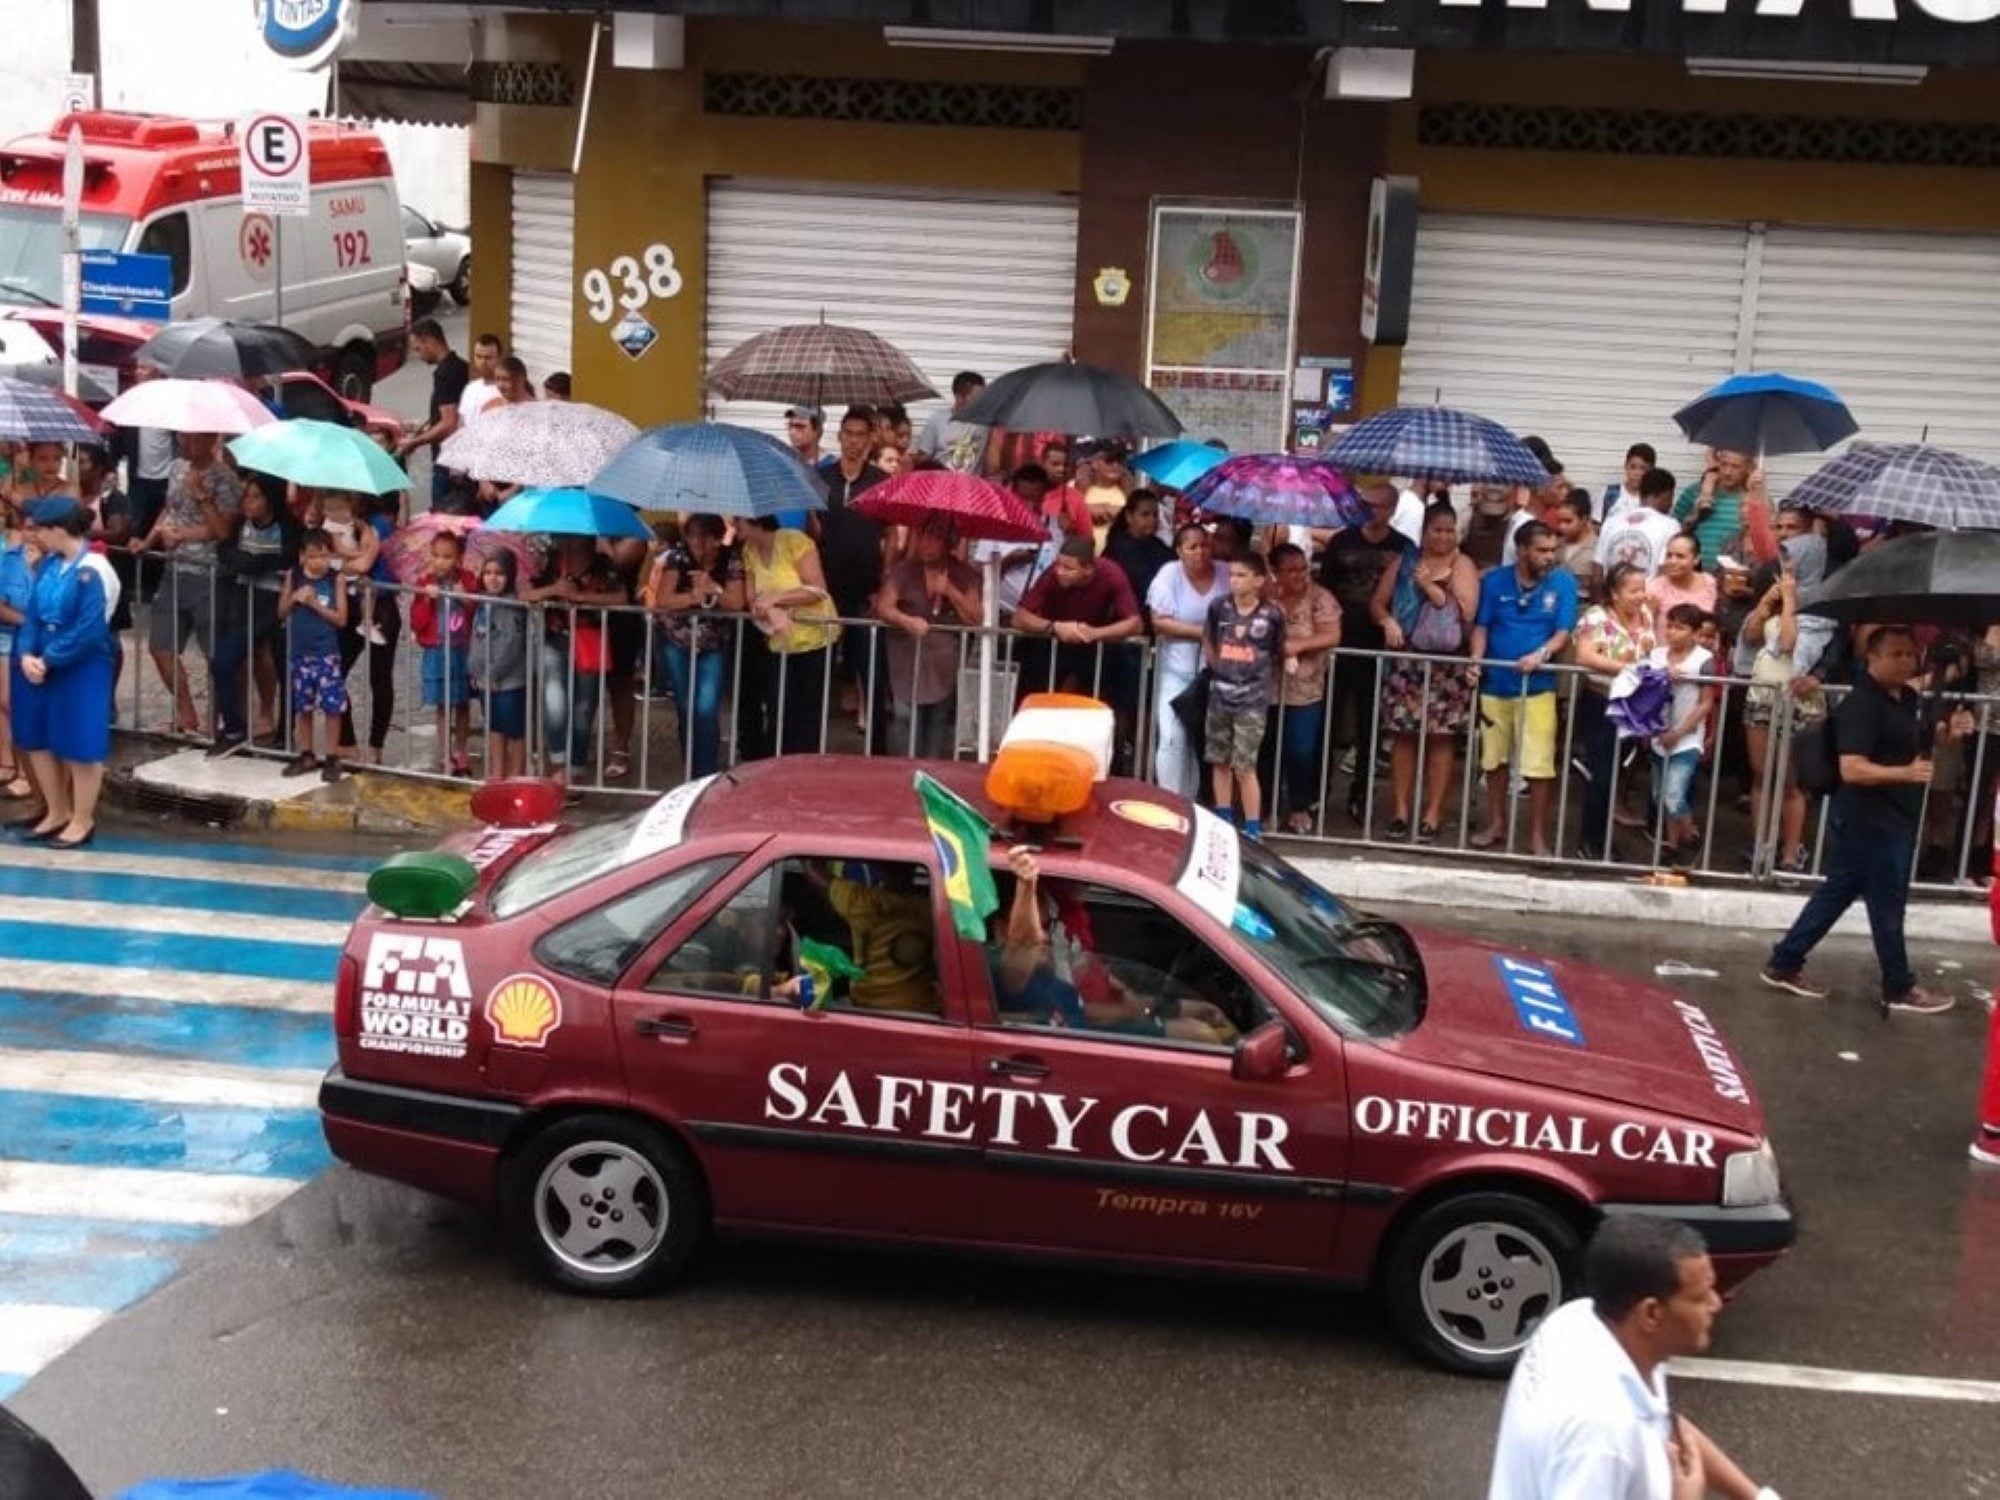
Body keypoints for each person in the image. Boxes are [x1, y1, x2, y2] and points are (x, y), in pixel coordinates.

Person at [1488, 1215, 1769, 1500]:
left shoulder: (1582, 1322)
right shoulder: (1600, 1437)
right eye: (1699, 1297)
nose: (1715, 1303)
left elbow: (1660, 1421)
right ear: (1651, 1314)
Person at [1762, 626, 1968, 1013]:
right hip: (1869, 818)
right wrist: (1904, 775)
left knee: (1838, 892)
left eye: (1910, 654)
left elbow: (1915, 743)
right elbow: (1852, 769)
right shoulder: (1861, 704)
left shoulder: (1906, 698)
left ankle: (1786, 960)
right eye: (1895, 654)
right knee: (1887, 904)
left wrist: (1949, 735)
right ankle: (1898, 985)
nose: (1905, 661)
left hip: (1893, 814)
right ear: (1871, 657)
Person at [990, 846, 1231, 1043]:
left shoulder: (1048, 971)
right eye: (1038, 928)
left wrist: (1150, 1006)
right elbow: (1024, 942)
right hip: (1087, 1052)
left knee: (1208, 1014)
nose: (1044, 937)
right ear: (1002, 931)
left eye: (1046, 926)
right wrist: (1025, 885)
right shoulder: (1011, 976)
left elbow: (1086, 1007)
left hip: (1097, 1031)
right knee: (1201, 1035)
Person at [1470, 521, 1579, 856]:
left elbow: (1562, 633)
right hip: (1496, 682)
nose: (1550, 557)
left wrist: (1542, 654)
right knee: (1494, 760)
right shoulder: (1494, 581)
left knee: (1540, 765)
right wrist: (1475, 661)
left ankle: (1536, 836)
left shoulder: (1563, 582)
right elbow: (1481, 627)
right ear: (1521, 551)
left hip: (1538, 686)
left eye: (1552, 550)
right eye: (1541, 550)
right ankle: (1497, 824)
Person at [1375, 501, 1479, 842]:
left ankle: (1433, 813)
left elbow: (1466, 610)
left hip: (1446, 665)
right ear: (1424, 532)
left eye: (1450, 530)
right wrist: (1387, 620)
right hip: (1407, 658)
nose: (1444, 537)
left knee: (1441, 738)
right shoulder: (1405, 560)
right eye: (1437, 529)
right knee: (1402, 735)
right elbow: (1378, 601)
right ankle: (1401, 810)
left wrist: (1432, 586)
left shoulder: (1462, 564)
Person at [11, 498, 114, 847]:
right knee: (40, 736)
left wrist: (49, 658)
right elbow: (33, 615)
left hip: (82, 664)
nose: (35, 535)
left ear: (58, 529)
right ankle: (57, 810)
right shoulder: (50, 566)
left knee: (80, 740)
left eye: (40, 528)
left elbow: (90, 628)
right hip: (42, 658)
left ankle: (82, 818)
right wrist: (26, 653)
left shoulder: (94, 568)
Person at [133, 432, 242, 740]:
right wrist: (150, 540)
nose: (187, 444)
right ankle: (186, 712)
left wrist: (200, 497)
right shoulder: (176, 467)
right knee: (161, 645)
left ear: (210, 440)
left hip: (208, 571)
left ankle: (216, 719)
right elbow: (168, 509)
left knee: (213, 652)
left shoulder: (226, 479)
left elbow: (222, 529)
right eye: (184, 438)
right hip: (174, 568)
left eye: (195, 439)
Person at [1740, 536, 1833, 874]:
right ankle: (1762, 845)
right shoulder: (1772, 593)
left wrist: (1791, 600)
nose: (1787, 569)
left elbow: (1790, 644)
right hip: (1762, 697)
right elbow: (1750, 638)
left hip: (1798, 701)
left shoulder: (1820, 606)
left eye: (1794, 563)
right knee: (1762, 775)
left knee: (1792, 781)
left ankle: (1792, 852)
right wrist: (1766, 603)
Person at [1322, 482, 1413, 819]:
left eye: (1378, 505)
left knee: (1368, 727)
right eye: (1366, 504)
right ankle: (1319, 792)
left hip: (1378, 647)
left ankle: (1360, 794)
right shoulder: (1341, 541)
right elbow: (1325, 588)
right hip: (1339, 642)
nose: (1371, 511)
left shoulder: (1403, 547)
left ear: (1391, 509)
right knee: (1329, 725)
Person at [523, 538, 628, 787]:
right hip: (555, 637)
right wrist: (554, 590)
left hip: (589, 639)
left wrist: (581, 597)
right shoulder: (550, 560)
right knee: (555, 699)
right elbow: (526, 593)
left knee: (584, 706)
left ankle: (577, 768)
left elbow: (621, 597)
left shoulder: (603, 564)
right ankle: (559, 763)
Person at [1572, 563, 1658, 862]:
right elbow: (1585, 656)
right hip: (1602, 702)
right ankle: (1589, 841)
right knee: (1603, 774)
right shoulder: (1595, 617)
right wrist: (1628, 669)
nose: (1640, 596)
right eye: (1633, 591)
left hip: (1633, 704)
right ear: (1614, 593)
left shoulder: (1646, 615)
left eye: (1642, 589)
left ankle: (1603, 838)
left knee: (1619, 775)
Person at [646, 512, 743, 778]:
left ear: (715, 539)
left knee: (707, 708)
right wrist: (692, 596)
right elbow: (664, 599)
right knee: (686, 705)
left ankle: (706, 770)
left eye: (701, 536)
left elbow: (737, 602)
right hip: (677, 640)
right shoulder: (677, 558)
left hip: (712, 642)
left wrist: (714, 589)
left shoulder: (730, 558)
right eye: (690, 535)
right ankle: (691, 767)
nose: (694, 542)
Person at [876, 517, 981, 760]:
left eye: (935, 540)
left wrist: (950, 591)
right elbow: (884, 606)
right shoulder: (904, 570)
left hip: (942, 657)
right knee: (904, 714)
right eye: (924, 538)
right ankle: (904, 768)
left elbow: (974, 617)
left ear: (949, 544)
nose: (927, 545)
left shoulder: (965, 574)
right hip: (906, 652)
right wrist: (907, 621)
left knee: (937, 715)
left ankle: (930, 768)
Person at [814, 406, 889, 735]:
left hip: (867, 586)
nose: (854, 442)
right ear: (840, 437)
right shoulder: (820, 478)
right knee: (819, 665)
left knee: (870, 665)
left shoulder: (881, 481)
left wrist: (885, 585)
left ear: (871, 440)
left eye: (861, 435)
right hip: (826, 585)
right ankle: (811, 741)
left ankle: (875, 740)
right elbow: (811, 527)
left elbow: (893, 537)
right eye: (849, 434)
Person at [739, 517, 839, 758]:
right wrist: (769, 609)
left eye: (739, 521)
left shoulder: (795, 541)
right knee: (779, 707)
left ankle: (804, 767)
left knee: (808, 710)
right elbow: (752, 599)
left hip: (813, 637)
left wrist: (775, 599)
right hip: (778, 640)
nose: (734, 525)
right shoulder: (749, 550)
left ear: (756, 521)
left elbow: (817, 589)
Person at [209, 472, 295, 753]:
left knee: (283, 668)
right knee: (222, 661)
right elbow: (226, 550)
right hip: (243, 599)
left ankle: (285, 731)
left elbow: (286, 558)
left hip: (276, 602)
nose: (249, 502)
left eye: (256, 497)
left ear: (270, 501)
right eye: (247, 496)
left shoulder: (287, 526)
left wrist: (254, 562)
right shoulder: (240, 524)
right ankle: (234, 726)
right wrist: (246, 562)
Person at [1204, 553, 1286, 838]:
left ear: (1259, 580)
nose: (1235, 581)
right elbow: (1209, 638)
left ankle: (1252, 826)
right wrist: (1216, 667)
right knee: (1219, 760)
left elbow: (1278, 650)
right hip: (1220, 694)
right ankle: (1223, 817)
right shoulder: (1219, 607)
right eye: (1233, 575)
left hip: (1251, 698)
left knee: (1245, 765)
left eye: (1241, 575)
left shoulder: (1272, 614)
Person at [1011, 536, 1142, 705]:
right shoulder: (1053, 574)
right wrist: (1054, 627)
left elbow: (1135, 623)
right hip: (1053, 644)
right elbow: (1019, 617)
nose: (1060, 571)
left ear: (1088, 569)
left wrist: (1094, 633)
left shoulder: (1111, 573)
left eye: (1068, 568)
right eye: (1059, 564)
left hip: (1092, 647)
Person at [1267, 541, 1342, 835]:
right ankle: (1266, 808)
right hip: (1266, 687)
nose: (1300, 575)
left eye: (1304, 569)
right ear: (1276, 573)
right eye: (1292, 570)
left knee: (1301, 750)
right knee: (1266, 750)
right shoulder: (1265, 598)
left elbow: (1332, 634)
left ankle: (1299, 806)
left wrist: (1298, 645)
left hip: (1306, 688)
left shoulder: (1320, 597)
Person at [1145, 523, 1224, 798]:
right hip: (1176, 671)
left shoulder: (1226, 573)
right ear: (1179, 550)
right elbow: (1159, 622)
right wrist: (1202, 633)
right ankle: (1170, 799)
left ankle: (1191, 801)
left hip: (1217, 672)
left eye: (1205, 545)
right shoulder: (1168, 575)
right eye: (1192, 547)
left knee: (1202, 740)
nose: (1200, 552)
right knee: (1172, 737)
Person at [1648, 604, 1719, 866]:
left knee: (1674, 795)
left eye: (1680, 627)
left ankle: (1690, 839)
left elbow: (1706, 702)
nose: (1672, 632)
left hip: (1687, 736)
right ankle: (1673, 844)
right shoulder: (1656, 656)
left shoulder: (1704, 660)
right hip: (1659, 733)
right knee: (1660, 795)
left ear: (1695, 632)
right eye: (1670, 625)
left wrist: (1679, 732)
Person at [278, 528, 349, 782]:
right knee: (303, 706)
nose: (317, 562)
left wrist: (316, 605)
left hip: (325, 652)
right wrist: (295, 599)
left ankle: (331, 756)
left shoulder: (334, 579)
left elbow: (341, 618)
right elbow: (281, 612)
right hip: (300, 652)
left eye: (323, 556)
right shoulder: (294, 575)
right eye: (312, 556)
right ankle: (306, 753)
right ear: (302, 556)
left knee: (332, 707)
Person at [411, 531, 476, 776]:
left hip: (462, 649)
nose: (441, 562)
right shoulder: (424, 583)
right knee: (442, 704)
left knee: (462, 702)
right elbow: (417, 623)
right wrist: (426, 600)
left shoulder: (467, 579)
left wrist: (465, 596)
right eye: (436, 556)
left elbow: (476, 611)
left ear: (458, 558)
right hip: (437, 649)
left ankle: (461, 750)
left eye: (447, 557)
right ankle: (444, 750)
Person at [396, 318, 469, 508]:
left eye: (418, 348)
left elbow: (448, 422)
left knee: (441, 515)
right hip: (459, 459)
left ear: (430, 341)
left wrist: (415, 442)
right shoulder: (460, 366)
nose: (418, 355)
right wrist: (422, 428)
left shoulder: (445, 374)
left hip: (448, 460)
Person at [470, 549, 529, 781]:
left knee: (514, 730)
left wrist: (493, 673)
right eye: (488, 573)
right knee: (494, 727)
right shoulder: (483, 602)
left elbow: (511, 644)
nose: (493, 578)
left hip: (508, 681)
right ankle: (497, 772)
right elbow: (476, 636)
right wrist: (474, 668)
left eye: (499, 573)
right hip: (486, 679)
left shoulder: (511, 607)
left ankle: (515, 774)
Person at [1675, 449, 1776, 566]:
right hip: (1696, 571)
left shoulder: (1755, 498)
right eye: (1724, 464)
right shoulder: (1694, 492)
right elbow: (1675, 531)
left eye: (1735, 467)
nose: (1728, 472)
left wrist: (1757, 492)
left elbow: (1768, 537)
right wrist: (1699, 510)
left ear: (1748, 468)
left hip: (1737, 574)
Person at [0, 500, 35, 804]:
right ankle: (12, 767)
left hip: (33, 645)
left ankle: (28, 775)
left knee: (17, 705)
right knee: (5, 703)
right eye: (29, 528)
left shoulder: (58, 563)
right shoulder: (9, 558)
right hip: (10, 639)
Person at [1596, 467, 1683, 580]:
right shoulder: (1671, 525)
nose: (1671, 504)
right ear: (1667, 494)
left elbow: (1597, 571)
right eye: (1671, 497)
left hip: (1612, 595)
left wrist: (1600, 598)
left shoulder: (1612, 521)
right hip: (1647, 596)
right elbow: (1665, 574)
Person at [1103, 490, 1173, 604]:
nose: (1152, 520)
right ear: (1129, 517)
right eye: (1145, 515)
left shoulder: (1157, 544)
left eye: (1155, 514)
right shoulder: (1120, 547)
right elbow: (1146, 586)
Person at [915, 371, 987, 472]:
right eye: (976, 398)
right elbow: (923, 457)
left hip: (971, 485)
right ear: (959, 397)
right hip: (942, 482)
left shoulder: (986, 423)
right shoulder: (937, 420)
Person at [1646, 534, 1718, 634]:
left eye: (1680, 556)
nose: (1672, 561)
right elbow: (1645, 631)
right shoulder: (1654, 590)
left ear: (1696, 559)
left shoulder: (1710, 583)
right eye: (1669, 555)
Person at [1082, 443, 1134, 554]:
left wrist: (1114, 511)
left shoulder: (1127, 492)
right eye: (1109, 460)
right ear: (1094, 463)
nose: (1115, 465)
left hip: (1117, 558)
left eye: (1120, 460)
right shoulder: (1077, 487)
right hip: (1083, 558)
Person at [1601, 442, 1656, 523]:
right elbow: (1596, 525)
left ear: (1651, 470)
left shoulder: (1654, 500)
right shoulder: (1610, 493)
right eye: (1633, 467)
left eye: (1643, 469)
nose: (1637, 473)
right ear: (1626, 466)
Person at [457, 332, 505, 425]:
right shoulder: (470, 388)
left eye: (488, 357)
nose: (483, 362)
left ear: (499, 358)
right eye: (479, 356)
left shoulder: (506, 391)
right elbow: (461, 424)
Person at [1553, 488, 1598, 585]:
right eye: (1559, 521)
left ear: (1584, 519)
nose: (1562, 526)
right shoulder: (1555, 545)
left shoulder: (1597, 548)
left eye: (1568, 521)